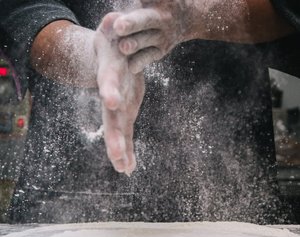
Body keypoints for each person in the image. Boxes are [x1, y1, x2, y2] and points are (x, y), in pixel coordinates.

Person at [0, 0, 299, 224]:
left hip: (235, 192)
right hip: (69, 200)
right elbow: (26, 11)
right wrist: (94, 56)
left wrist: (196, 12)